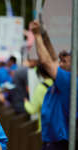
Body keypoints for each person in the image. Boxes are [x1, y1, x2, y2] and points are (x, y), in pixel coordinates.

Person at [30, 21, 78, 150]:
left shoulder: (70, 81)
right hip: (52, 141)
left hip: (60, 143)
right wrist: (44, 35)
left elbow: (47, 62)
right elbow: (52, 58)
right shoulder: (65, 78)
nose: (60, 62)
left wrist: (37, 36)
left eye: (66, 60)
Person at [24, 64, 53, 132]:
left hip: (45, 129)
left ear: (41, 74)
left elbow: (32, 110)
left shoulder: (40, 88)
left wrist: (26, 103)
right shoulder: (57, 83)